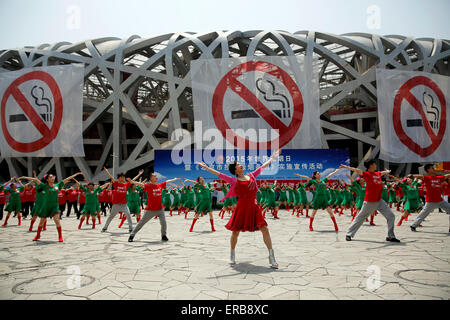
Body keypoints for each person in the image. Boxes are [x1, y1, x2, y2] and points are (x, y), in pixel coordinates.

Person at [196, 149, 281, 269]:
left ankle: (271, 257)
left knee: (265, 229)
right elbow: (219, 174)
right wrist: (206, 167)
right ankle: (232, 254)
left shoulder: (251, 175)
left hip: (254, 207)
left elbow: (263, 166)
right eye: (238, 165)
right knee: (235, 232)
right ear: (236, 170)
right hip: (241, 207)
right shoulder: (234, 180)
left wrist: (272, 158)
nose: (241, 165)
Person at [340, 160, 400, 242]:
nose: (376, 165)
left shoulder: (377, 174)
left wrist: (387, 171)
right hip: (370, 201)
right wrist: (346, 167)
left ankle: (391, 236)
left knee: (391, 216)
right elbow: (357, 170)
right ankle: (349, 234)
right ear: (371, 165)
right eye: (374, 164)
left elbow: (382, 172)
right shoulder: (366, 174)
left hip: (379, 200)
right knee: (360, 218)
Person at [21, 172, 83, 242]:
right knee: (41, 222)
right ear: (47, 179)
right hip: (46, 206)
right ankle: (38, 235)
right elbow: (36, 180)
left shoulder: (57, 185)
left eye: (53, 176)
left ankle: (60, 237)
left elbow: (67, 178)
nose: (53, 178)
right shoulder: (44, 186)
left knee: (57, 220)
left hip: (55, 206)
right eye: (50, 177)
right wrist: (25, 177)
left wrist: (76, 174)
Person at [127, 173, 181, 242]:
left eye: (156, 176)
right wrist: (132, 181)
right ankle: (132, 234)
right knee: (141, 222)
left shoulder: (160, 185)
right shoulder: (148, 186)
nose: (156, 177)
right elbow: (140, 184)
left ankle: (163, 235)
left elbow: (167, 181)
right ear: (151, 179)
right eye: (154, 176)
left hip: (160, 209)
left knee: (163, 222)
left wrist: (174, 179)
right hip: (150, 209)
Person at [409, 164, 450, 232]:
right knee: (423, 214)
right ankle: (413, 225)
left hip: (440, 200)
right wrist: (412, 175)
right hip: (431, 201)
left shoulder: (438, 177)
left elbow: (446, 176)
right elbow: (420, 176)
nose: (434, 169)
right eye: (432, 168)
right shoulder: (427, 177)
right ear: (428, 170)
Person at [101, 168, 143, 233]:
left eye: (124, 177)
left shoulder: (125, 185)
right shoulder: (116, 183)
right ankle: (104, 228)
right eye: (122, 177)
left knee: (128, 215)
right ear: (119, 178)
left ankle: (130, 228)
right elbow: (111, 178)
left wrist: (139, 174)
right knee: (111, 217)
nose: (123, 178)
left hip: (124, 205)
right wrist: (107, 171)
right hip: (116, 205)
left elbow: (132, 181)